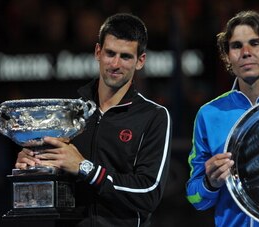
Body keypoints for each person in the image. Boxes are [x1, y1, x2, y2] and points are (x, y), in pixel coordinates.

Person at [15, 13, 172, 227]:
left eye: (125, 56)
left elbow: (148, 192)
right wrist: (34, 166)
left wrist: (86, 169)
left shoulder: (154, 116)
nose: (115, 64)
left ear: (140, 61)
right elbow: (55, 181)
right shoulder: (68, 114)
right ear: (98, 52)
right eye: (110, 53)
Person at [186, 11, 259, 227]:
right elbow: (195, 198)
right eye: (236, 46)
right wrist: (210, 183)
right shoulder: (209, 114)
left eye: (254, 43)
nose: (245, 52)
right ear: (227, 56)